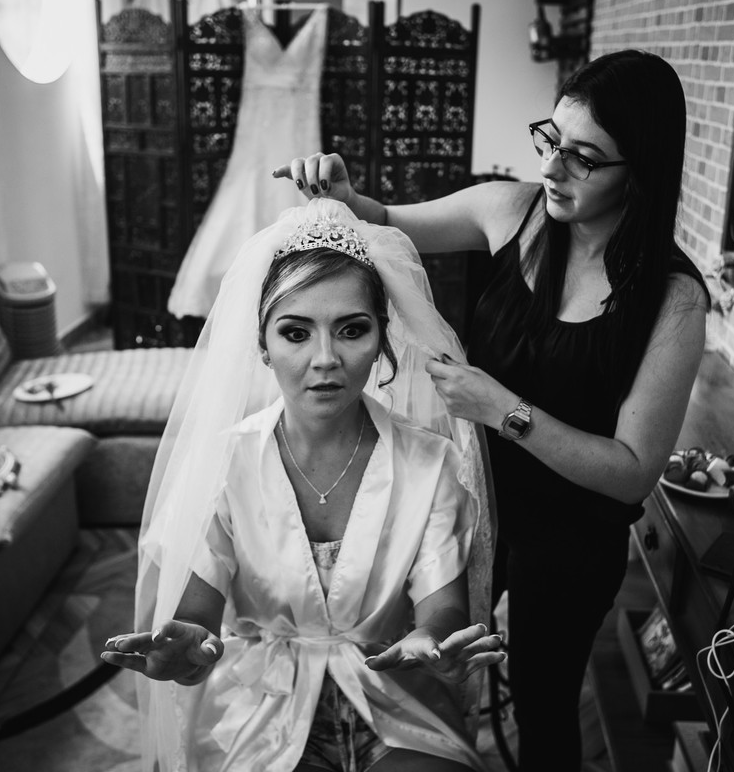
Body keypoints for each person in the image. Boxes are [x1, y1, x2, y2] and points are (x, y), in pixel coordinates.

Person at [275, 49, 711, 768]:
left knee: (544, 710)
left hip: (569, 542)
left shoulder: (674, 301)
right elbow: (383, 221)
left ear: (641, 169)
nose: (552, 168)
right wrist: (345, 195)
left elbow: (634, 471)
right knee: (424, 666)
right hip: (469, 501)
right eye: (551, 139)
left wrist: (503, 407)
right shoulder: (513, 212)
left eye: (584, 158)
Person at [102, 198, 503, 771]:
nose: (325, 358)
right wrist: (191, 649)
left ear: (383, 341)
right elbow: (198, 616)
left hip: (392, 694)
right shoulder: (224, 463)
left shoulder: (430, 462)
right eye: (295, 332)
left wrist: (431, 642)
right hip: (259, 704)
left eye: (352, 330)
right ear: (262, 346)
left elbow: (442, 608)